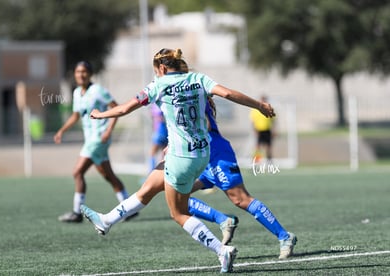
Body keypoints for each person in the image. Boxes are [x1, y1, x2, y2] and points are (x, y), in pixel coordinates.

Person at [84, 48, 275, 273]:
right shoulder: (198, 78)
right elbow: (229, 94)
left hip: (181, 158)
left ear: (162, 69)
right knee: (148, 188)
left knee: (179, 213)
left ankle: (221, 251)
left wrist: (100, 115)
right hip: (202, 154)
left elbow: (125, 108)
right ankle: (106, 221)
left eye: (156, 71)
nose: (155, 76)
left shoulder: (158, 86)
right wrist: (260, 106)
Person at [81, 97, 296, 261]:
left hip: (215, 155)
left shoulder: (193, 92)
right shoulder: (180, 92)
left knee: (241, 200)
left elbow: (202, 124)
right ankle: (107, 220)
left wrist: (174, 145)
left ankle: (285, 236)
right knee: (171, 194)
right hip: (196, 156)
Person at [54, 61, 132, 223]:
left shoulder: (98, 91)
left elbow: (116, 108)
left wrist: (109, 130)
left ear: (90, 74)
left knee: (77, 172)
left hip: (99, 138)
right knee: (108, 175)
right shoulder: (76, 93)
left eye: (84, 71)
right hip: (91, 139)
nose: (80, 75)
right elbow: (76, 116)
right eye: (78, 72)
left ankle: (77, 212)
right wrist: (61, 131)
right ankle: (129, 208)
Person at [250, 95, 275, 162]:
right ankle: (255, 161)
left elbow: (273, 120)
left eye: (265, 99)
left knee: (268, 147)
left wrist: (274, 130)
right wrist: (255, 130)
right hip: (259, 130)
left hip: (267, 130)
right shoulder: (255, 110)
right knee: (258, 147)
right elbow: (253, 121)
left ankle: (269, 162)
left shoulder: (269, 109)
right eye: (262, 99)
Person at [149, 104, 168, 171]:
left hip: (160, 132)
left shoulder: (157, 105)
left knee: (152, 153)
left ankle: (152, 172)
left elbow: (160, 117)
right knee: (164, 154)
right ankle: (163, 172)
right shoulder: (157, 105)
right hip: (165, 132)